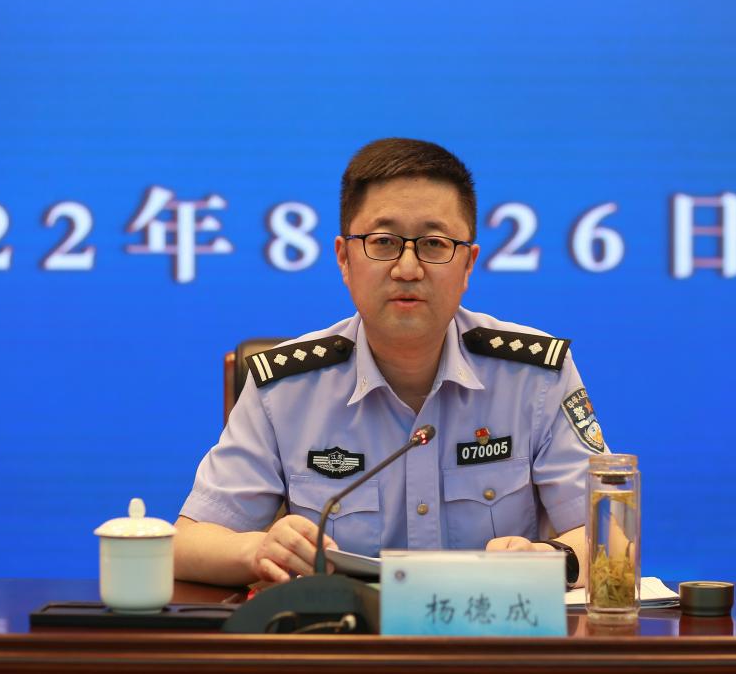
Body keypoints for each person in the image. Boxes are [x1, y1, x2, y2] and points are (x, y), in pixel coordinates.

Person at [174, 138, 607, 587]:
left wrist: (549, 559)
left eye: (434, 244)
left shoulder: (534, 377)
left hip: (492, 627)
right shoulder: (284, 389)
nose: (407, 268)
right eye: (383, 242)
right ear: (344, 258)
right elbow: (185, 544)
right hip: (345, 630)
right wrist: (258, 549)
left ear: (467, 265)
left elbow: (610, 535)